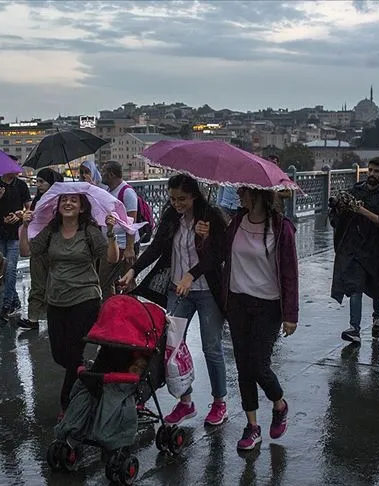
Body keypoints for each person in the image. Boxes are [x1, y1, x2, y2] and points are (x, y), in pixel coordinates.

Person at [120, 174, 230, 427]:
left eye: (182, 199)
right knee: (172, 346)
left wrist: (206, 239)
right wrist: (134, 270)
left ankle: (219, 402)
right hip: (177, 289)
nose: (176, 203)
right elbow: (157, 247)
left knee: (211, 347)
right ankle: (186, 402)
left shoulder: (210, 216)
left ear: (194, 195)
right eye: (172, 198)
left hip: (206, 291)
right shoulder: (172, 216)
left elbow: (219, 253)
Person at [18, 190, 120, 417]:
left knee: (73, 353)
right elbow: (27, 252)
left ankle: (67, 403)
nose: (68, 203)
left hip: (85, 298)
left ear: (82, 207)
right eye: (64, 199)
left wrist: (112, 233)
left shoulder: (89, 231)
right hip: (56, 299)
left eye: (74, 200)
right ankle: (88, 376)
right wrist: (25, 226)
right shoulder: (51, 231)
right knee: (59, 355)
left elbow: (111, 258)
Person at [219, 187, 299, 451]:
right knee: (243, 367)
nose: (239, 195)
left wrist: (290, 315)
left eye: (244, 191)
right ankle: (252, 426)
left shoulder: (281, 227)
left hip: (268, 306)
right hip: (238, 303)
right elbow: (221, 255)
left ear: (258, 195)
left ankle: (279, 403)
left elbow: (289, 273)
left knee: (258, 366)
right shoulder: (236, 222)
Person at [330, 158, 379, 344]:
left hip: (375, 249)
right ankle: (354, 328)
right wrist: (340, 207)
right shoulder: (354, 191)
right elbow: (337, 218)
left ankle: (377, 317)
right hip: (354, 248)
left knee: (377, 286)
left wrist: (360, 209)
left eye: (377, 171)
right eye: (370, 170)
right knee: (354, 287)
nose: (372, 174)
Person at [0, 167, 31, 321]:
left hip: (15, 235)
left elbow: (29, 209)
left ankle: (7, 306)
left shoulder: (22, 186)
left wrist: (20, 215)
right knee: (2, 271)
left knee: (10, 269)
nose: (17, 169)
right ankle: (16, 302)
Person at [19, 168, 64, 330]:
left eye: (41, 181)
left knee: (54, 282)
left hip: (54, 246)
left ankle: (52, 316)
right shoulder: (39, 200)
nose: (38, 185)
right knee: (38, 282)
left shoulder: (60, 200)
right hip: (37, 246)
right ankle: (33, 318)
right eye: (36, 181)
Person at [99, 160, 138, 298]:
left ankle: (133, 311)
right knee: (107, 281)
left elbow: (132, 222)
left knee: (127, 282)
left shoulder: (126, 192)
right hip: (113, 243)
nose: (101, 175)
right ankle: (112, 310)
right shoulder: (109, 191)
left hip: (124, 245)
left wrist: (129, 248)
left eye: (103, 172)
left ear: (110, 174)